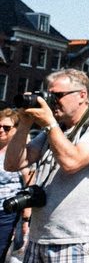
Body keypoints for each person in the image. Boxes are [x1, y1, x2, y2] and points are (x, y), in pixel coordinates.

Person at [4, 69, 89, 263]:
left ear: (82, 95)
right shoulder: (55, 130)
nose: (52, 100)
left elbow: (71, 162)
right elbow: (13, 163)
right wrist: (24, 124)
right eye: (50, 95)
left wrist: (49, 123)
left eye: (57, 95)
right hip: (38, 237)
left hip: (76, 240)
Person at [0, 109, 28, 259]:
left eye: (6, 128)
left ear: (16, 130)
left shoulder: (20, 154)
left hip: (6, 215)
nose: (1, 130)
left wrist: (25, 220)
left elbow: (29, 186)